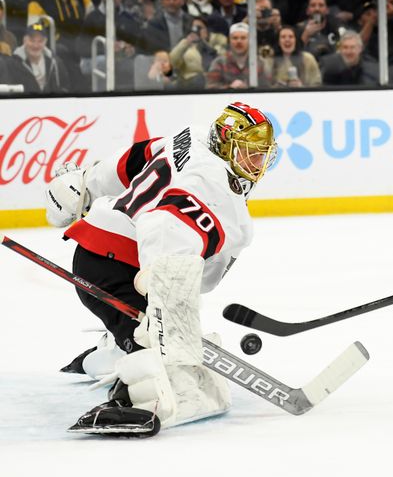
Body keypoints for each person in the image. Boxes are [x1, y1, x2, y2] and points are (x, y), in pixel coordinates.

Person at [44, 101, 278, 435]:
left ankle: (104, 356)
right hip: (117, 265)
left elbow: (133, 160)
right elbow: (163, 225)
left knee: (142, 328)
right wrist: (166, 298)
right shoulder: (219, 194)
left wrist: (87, 183)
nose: (258, 164)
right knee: (158, 346)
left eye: (262, 154)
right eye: (250, 153)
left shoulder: (192, 137)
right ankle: (132, 403)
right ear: (226, 144)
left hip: (97, 250)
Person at [206, 22, 271, 88]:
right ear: (229, 41)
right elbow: (211, 86)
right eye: (235, 38)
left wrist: (248, 88)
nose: (239, 41)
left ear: (250, 41)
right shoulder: (219, 62)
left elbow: (268, 88)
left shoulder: (260, 63)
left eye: (243, 38)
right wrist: (229, 87)